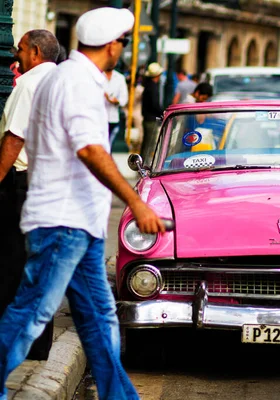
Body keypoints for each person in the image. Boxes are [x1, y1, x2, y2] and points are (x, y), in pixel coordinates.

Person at [0, 8, 165, 400]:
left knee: (98, 318)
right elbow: (90, 150)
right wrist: (136, 202)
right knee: (31, 313)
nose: (123, 48)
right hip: (63, 222)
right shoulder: (76, 83)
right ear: (113, 45)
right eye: (124, 42)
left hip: (80, 224)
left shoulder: (70, 77)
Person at [0, 29, 60, 362]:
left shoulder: (29, 84)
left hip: (22, 185)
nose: (16, 55)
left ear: (35, 52)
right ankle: (37, 345)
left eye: (20, 49)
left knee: (11, 262)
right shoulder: (62, 82)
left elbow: (14, 138)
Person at [140, 62, 164, 162]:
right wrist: (162, 113)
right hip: (151, 119)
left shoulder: (148, 85)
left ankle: (142, 164)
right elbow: (154, 104)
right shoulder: (153, 87)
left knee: (146, 143)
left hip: (147, 118)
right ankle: (144, 165)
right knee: (150, 145)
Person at [104, 66, 128, 148]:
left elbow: (124, 99)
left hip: (113, 118)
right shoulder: (98, 75)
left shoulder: (119, 78)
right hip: (99, 117)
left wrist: (116, 101)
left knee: (108, 146)